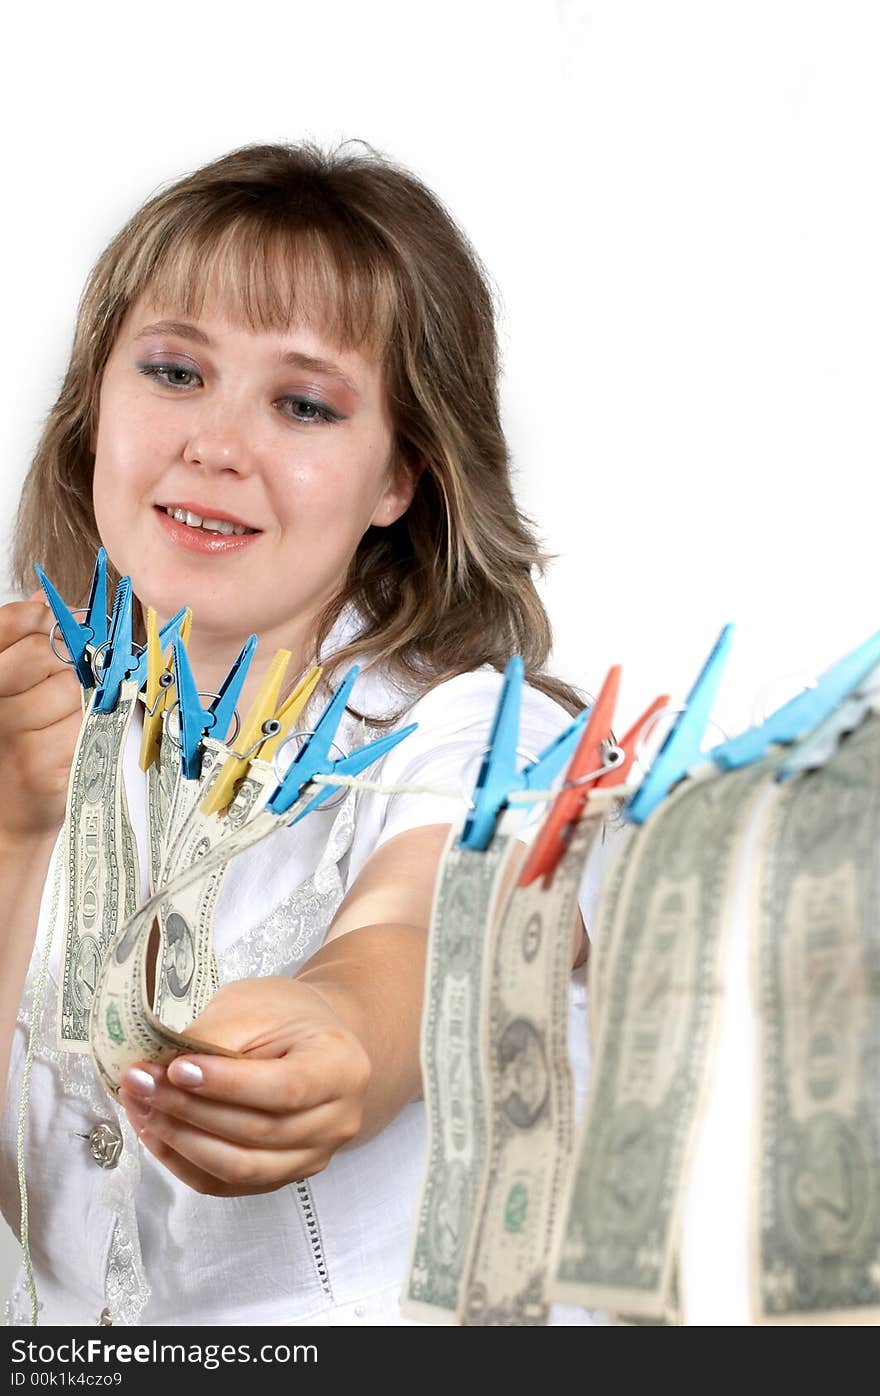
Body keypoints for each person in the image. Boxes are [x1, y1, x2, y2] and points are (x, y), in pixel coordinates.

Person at [0, 141, 604, 1327]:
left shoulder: (483, 740)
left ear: (399, 478)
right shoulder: (34, 733)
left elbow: (434, 927)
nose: (216, 445)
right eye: (174, 371)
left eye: (303, 403)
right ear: (94, 408)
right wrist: (15, 836)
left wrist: (339, 1032)